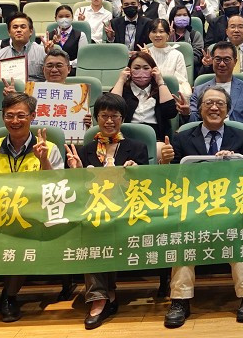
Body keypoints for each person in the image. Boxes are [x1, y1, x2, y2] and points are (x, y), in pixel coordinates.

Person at [161, 84, 243, 327]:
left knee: (238, 232)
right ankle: (180, 300)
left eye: (220, 104)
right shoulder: (182, 137)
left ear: (228, 109)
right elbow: (172, 179)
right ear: (199, 108)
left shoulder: (242, 137)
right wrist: (165, 161)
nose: (214, 107)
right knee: (182, 235)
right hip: (193, 207)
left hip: (231, 206)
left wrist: (234, 162)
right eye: (209, 103)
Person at [0, 93, 62, 326]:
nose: (15, 121)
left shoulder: (49, 148)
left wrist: (44, 160)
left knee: (22, 232)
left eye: (21, 115)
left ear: (32, 116)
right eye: (9, 116)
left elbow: (58, 188)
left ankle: (9, 297)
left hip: (32, 215)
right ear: (2, 117)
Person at [64, 92, 149, 330]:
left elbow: (147, 187)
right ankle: (101, 296)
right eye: (104, 115)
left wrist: (136, 171)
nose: (109, 121)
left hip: (127, 211)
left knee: (99, 228)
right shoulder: (84, 151)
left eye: (114, 116)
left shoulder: (137, 148)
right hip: (94, 212)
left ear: (123, 119)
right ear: (96, 118)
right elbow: (76, 190)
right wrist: (77, 171)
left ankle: (104, 296)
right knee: (93, 228)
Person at [189, 42, 243, 130]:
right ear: (212, 60)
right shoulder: (199, 90)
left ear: (235, 62)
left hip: (238, 136)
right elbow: (193, 121)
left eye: (227, 59)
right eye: (218, 59)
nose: (222, 64)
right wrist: (187, 113)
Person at [108, 51, 179, 141]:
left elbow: (171, 112)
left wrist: (160, 80)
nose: (141, 72)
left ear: (153, 70)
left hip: (155, 138)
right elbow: (110, 108)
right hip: (125, 137)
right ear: (129, 70)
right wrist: (121, 80)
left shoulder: (160, 90)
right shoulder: (123, 89)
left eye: (146, 68)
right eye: (136, 68)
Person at [0, 13, 47, 82]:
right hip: (6, 88)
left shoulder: (43, 52)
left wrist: (49, 53)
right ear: (9, 32)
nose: (19, 30)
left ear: (31, 31)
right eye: (15, 27)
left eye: (23, 27)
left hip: (35, 88)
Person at [145, 19, 191, 98]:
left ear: (168, 34)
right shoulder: (145, 54)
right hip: (148, 93)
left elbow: (181, 81)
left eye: (161, 31)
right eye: (154, 32)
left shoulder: (177, 55)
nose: (157, 35)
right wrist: (147, 58)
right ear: (149, 35)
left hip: (172, 93)